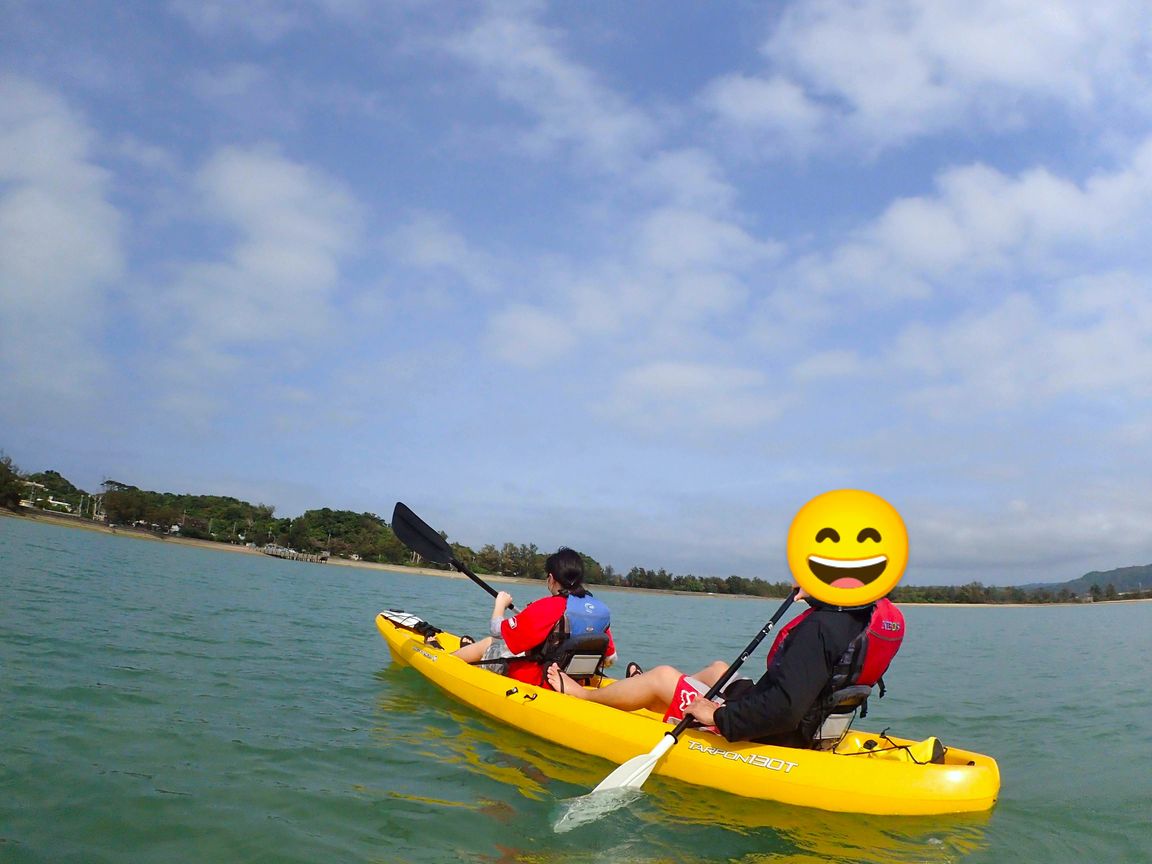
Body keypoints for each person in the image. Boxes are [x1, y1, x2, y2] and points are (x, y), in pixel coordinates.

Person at [547, 588, 903, 748]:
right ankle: (645, 696)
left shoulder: (820, 629)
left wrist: (717, 716)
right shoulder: (864, 618)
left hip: (774, 732)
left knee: (664, 677)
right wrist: (815, 596)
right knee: (719, 668)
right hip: (811, 722)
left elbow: (785, 710)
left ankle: (586, 697)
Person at [454, 547, 617, 689]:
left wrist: (500, 604)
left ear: (551, 578)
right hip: (575, 683)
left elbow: (497, 631)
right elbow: (610, 659)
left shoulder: (547, 606)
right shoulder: (599, 610)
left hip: (540, 680)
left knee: (491, 642)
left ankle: (447, 661)